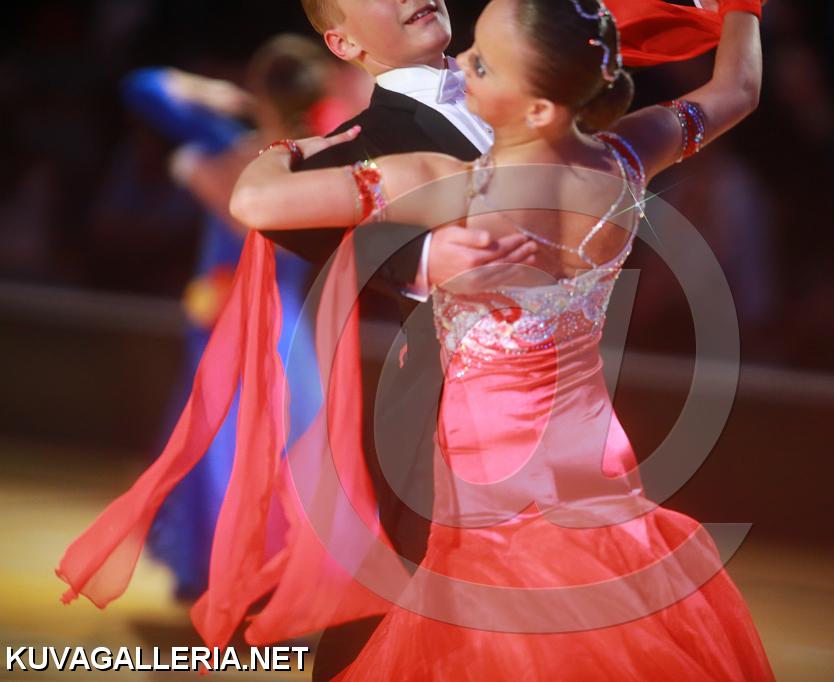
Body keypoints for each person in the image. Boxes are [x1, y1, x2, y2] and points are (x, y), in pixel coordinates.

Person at [59, 1, 773, 679]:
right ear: (343, 42)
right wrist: (744, 11)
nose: (466, 65)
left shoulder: (454, 178)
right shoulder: (623, 154)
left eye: (482, 63)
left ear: (534, 102)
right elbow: (736, 90)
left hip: (482, 479)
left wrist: (286, 147)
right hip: (585, 466)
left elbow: (253, 198)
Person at [118, 35, 357, 600]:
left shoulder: (230, 148)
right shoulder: (324, 160)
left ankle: (223, 570)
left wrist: (210, 93)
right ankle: (269, 575)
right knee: (284, 443)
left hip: (231, 321)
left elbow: (142, 87)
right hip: (285, 327)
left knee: (221, 445)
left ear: (258, 90)